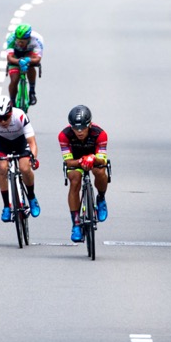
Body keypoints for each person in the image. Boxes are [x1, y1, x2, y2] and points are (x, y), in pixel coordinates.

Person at [0, 95, 41, 222]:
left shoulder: (20, 116)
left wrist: (33, 159)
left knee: (24, 167)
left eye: (6, 117)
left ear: (11, 112)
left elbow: (32, 142)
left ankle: (31, 197)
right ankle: (7, 206)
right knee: (2, 168)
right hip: (2, 142)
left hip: (21, 141)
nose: (2, 121)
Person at [58, 104, 109, 243]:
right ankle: (75, 223)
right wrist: (81, 160)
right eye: (75, 128)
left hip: (94, 158)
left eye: (82, 128)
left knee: (100, 171)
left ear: (90, 125)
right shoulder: (64, 135)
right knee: (74, 180)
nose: (79, 131)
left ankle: (101, 198)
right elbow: (68, 162)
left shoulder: (100, 134)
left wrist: (93, 158)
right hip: (76, 160)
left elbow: (102, 159)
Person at [5, 24, 44, 106]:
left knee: (30, 66)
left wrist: (28, 60)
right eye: (18, 40)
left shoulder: (37, 40)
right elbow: (10, 57)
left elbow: (37, 59)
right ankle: (12, 101)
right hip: (16, 55)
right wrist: (18, 61)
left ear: (28, 39)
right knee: (14, 79)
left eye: (22, 41)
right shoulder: (11, 39)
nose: (19, 43)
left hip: (29, 54)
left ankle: (32, 92)